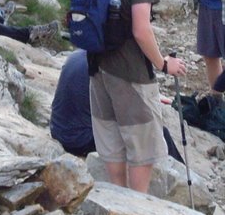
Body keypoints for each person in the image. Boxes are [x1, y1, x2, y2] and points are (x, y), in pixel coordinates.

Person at [89, 0, 187, 193]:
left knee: (112, 144)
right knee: (141, 147)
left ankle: (117, 202)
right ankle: (136, 206)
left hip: (98, 67)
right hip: (130, 72)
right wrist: (162, 63)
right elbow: (141, 29)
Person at [51, 50, 183, 162]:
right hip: (81, 140)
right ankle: (182, 176)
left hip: (58, 130)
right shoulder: (110, 66)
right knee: (158, 132)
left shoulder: (79, 54)